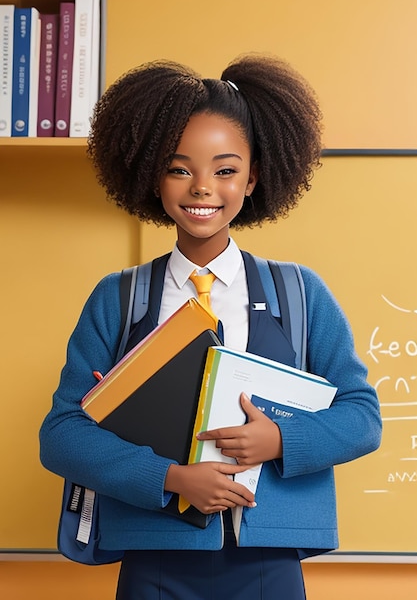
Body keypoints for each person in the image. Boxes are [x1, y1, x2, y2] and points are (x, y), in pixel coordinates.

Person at [39, 53, 382, 600]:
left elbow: (363, 417)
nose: (202, 188)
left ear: (254, 179)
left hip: (268, 562)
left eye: (225, 170)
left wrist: (277, 439)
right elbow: (61, 435)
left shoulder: (300, 292)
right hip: (154, 556)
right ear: (154, 176)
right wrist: (170, 479)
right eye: (180, 168)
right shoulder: (118, 298)